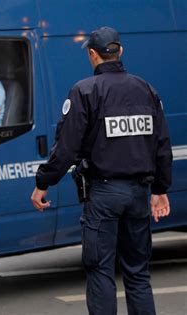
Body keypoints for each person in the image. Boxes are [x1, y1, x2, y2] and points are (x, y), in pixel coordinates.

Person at [31, 26, 172, 315]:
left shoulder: (85, 91)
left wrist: (43, 182)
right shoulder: (146, 89)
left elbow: (66, 147)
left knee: (100, 270)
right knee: (137, 273)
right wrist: (159, 190)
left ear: (93, 55)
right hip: (139, 194)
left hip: (105, 193)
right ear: (120, 51)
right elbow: (161, 145)